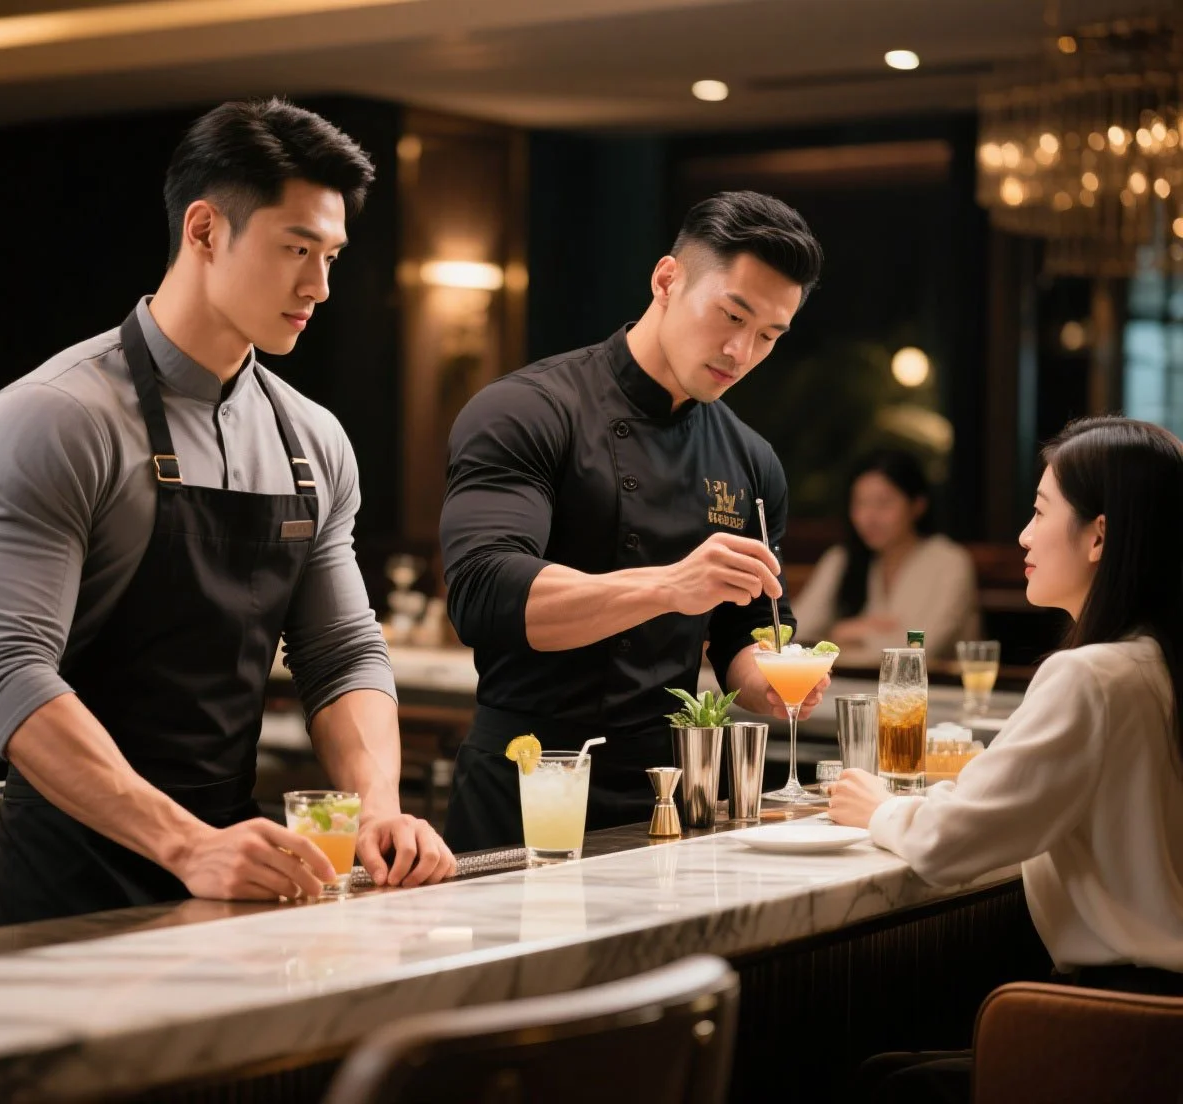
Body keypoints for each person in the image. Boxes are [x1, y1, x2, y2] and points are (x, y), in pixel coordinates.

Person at [0, 99, 454, 926]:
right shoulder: (52, 418)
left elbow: (341, 651)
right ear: (206, 230)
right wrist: (183, 843)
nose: (319, 287)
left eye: (330, 256)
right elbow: (1, 670)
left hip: (238, 872)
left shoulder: (313, 439)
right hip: (69, 888)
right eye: (296, 249)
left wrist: (377, 807)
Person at [439, 191, 828, 852]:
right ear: (667, 280)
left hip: (670, 799)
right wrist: (672, 588)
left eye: (768, 335)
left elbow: (746, 630)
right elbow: (485, 593)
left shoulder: (751, 460)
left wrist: (772, 679)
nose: (741, 350)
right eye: (731, 315)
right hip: (528, 786)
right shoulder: (526, 411)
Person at [830, 416, 1183, 1103]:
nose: (1023, 534)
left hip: (1121, 1021)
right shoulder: (1158, 665)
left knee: (883, 1082)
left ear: (1099, 536)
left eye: (1040, 509)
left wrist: (882, 808)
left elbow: (952, 841)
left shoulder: (1092, 676)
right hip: (1165, 1022)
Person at [792, 449, 979, 660]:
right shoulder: (842, 559)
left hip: (938, 690)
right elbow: (794, 633)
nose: (868, 517)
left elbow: (917, 650)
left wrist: (848, 634)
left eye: (884, 503)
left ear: (917, 505)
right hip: (855, 687)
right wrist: (842, 632)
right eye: (860, 503)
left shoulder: (950, 563)